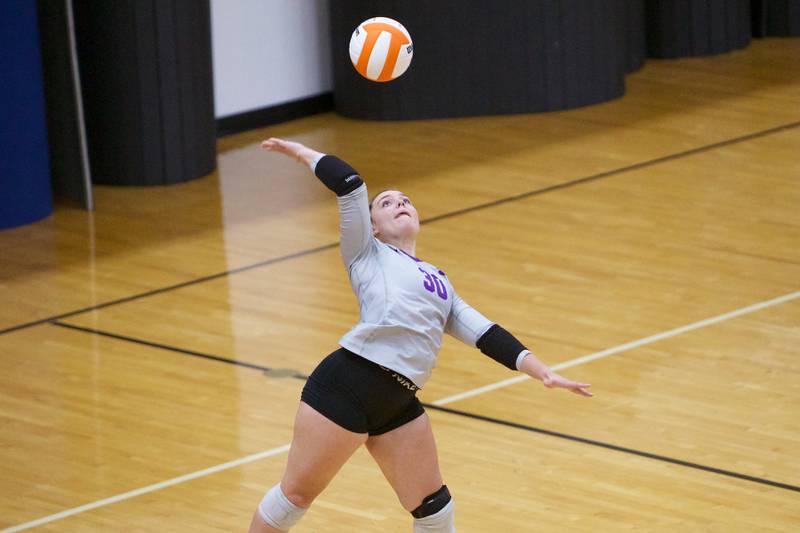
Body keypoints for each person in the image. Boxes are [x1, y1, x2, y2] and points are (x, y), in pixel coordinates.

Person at [249, 138, 593, 533]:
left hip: (397, 398)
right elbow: (349, 182)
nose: (399, 203)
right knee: (296, 496)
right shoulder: (365, 253)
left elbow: (485, 333)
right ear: (372, 226)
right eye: (387, 202)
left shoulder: (440, 281)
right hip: (347, 384)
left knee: (435, 508)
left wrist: (542, 371)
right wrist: (298, 152)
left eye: (406, 200)